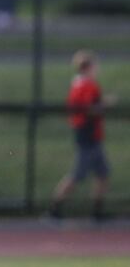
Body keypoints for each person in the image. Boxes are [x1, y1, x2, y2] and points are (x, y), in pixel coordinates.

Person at [49, 50, 112, 221]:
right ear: (87, 67)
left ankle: (97, 211)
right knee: (77, 175)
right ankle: (55, 208)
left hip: (92, 136)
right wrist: (104, 104)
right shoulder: (86, 86)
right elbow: (88, 110)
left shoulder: (79, 85)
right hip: (88, 136)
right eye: (95, 66)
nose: (97, 69)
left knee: (103, 173)